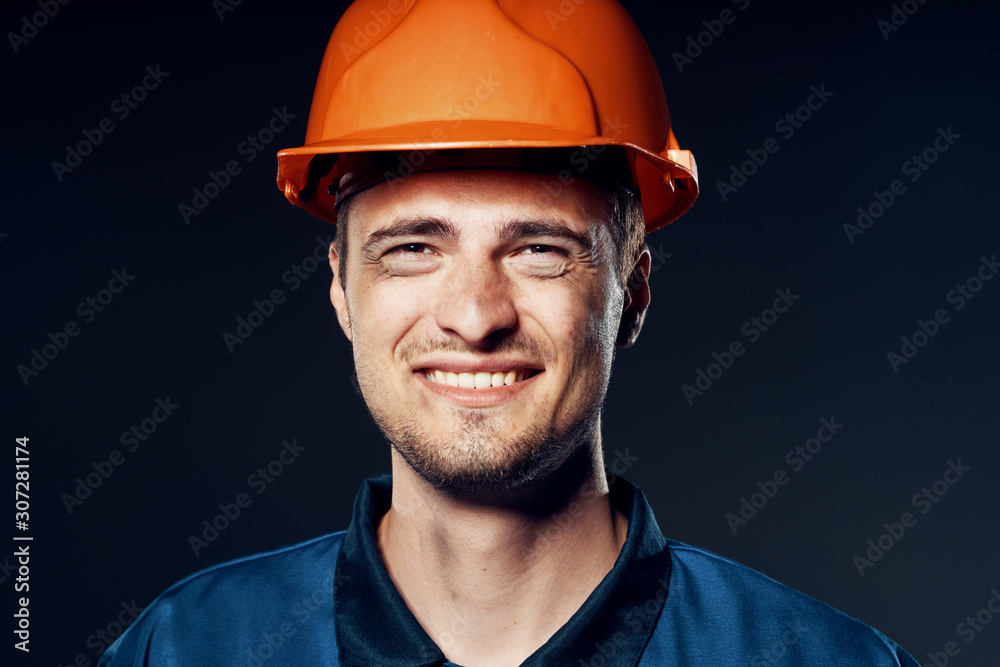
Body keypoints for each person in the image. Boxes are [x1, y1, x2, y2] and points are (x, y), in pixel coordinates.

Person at [101, 1, 918, 664]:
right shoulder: (188, 647)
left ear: (631, 293)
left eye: (538, 250)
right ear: (342, 291)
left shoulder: (817, 658)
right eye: (414, 248)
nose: (474, 315)